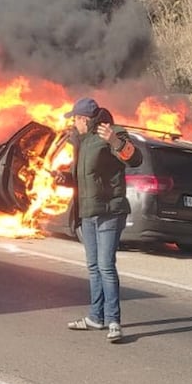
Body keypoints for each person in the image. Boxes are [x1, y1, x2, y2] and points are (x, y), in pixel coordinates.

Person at [54, 98, 141, 343]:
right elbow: (83, 178)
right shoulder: (81, 141)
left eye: (75, 118)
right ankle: (96, 317)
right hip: (88, 212)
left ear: (84, 119)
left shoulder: (111, 134)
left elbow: (135, 159)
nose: (73, 123)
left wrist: (115, 142)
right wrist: (63, 178)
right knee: (93, 266)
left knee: (105, 266)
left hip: (109, 212)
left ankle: (113, 321)